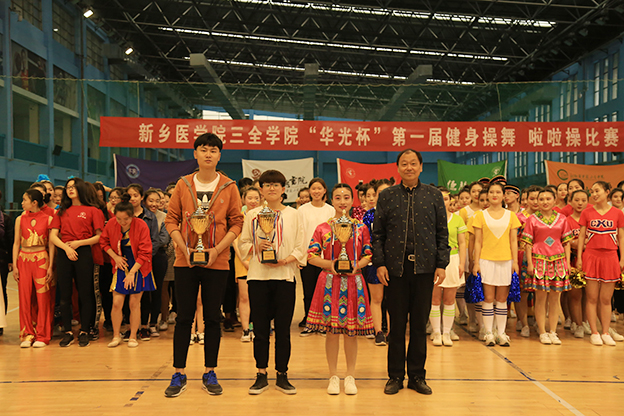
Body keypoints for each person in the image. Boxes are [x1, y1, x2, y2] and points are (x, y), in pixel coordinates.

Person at [164, 133, 244, 397]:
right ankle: (179, 373)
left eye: (213, 150)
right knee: (184, 317)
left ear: (219, 155)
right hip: (185, 261)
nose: (208, 154)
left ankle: (210, 371)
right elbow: (171, 220)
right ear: (195, 154)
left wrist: (217, 250)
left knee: (212, 317)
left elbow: (237, 223)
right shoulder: (183, 184)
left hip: (217, 261)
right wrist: (184, 248)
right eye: (203, 149)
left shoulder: (229, 186)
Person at [372, 149, 449, 396]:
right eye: (404, 164)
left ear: (421, 166)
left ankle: (417, 376)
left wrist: (441, 264)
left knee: (418, 325)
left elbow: (442, 233)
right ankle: (395, 376)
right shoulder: (387, 196)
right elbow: (378, 234)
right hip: (395, 269)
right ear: (398, 168)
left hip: (425, 269)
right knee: (396, 326)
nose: (409, 167)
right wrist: (380, 263)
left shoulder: (433, 195)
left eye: (413, 163)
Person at [239, 170, 307, 395]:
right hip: (258, 277)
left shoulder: (294, 214)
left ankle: (282, 374)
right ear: (261, 189)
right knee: (260, 329)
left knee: (283, 330)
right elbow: (242, 244)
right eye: (267, 185)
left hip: (284, 277)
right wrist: (255, 247)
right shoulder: (252, 215)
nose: (271, 188)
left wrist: (285, 260)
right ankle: (261, 373)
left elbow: (301, 246)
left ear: (283, 189)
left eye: (276, 185)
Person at [306, 183, 374, 395]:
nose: (342, 201)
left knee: (351, 332)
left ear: (353, 200)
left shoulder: (361, 228)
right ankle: (333, 376)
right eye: (337, 197)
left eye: (346, 197)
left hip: (354, 281)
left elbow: (368, 253)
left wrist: (357, 265)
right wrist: (331, 264)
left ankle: (350, 376)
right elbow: (311, 255)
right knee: (332, 332)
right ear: (331, 200)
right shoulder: (323, 228)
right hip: (329, 282)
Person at [50, 178, 106, 347]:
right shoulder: (61, 211)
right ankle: (68, 331)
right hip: (64, 251)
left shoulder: (93, 210)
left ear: (81, 188)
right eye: (68, 187)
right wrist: (66, 248)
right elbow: (53, 236)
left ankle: (85, 331)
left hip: (84, 252)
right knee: (65, 294)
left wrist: (78, 244)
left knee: (85, 294)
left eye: (73, 187)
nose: (70, 189)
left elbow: (99, 236)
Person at [100, 193, 155, 348]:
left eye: (126, 219)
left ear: (132, 216)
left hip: (139, 266)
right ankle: (116, 335)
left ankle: (133, 336)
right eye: (119, 219)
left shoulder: (141, 225)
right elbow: (103, 242)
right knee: (117, 302)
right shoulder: (111, 223)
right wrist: (115, 257)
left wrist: (132, 273)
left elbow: (145, 253)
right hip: (120, 264)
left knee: (134, 303)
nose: (122, 222)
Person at [472, 181, 521, 347]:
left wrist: (515, 262)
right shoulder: (480, 216)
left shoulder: (511, 216)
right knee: (488, 298)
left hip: (506, 261)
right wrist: (476, 262)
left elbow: (513, 240)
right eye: (491, 192)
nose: (494, 195)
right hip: (486, 260)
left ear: (503, 195)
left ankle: (501, 333)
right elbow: (478, 241)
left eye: (498, 192)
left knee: (502, 299)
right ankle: (488, 332)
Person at [523, 188, 573, 345]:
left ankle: (553, 331)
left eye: (548, 199)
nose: (545, 202)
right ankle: (542, 331)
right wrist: (530, 263)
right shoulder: (532, 219)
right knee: (540, 298)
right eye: (541, 199)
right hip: (539, 261)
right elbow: (528, 243)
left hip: (558, 261)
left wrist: (567, 262)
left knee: (555, 298)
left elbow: (566, 242)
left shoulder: (562, 219)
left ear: (555, 201)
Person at [577, 181, 624, 346]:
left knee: (605, 299)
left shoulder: (618, 213)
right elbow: (581, 236)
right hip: (591, 256)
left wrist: (622, 259)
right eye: (592, 191)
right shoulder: (586, 212)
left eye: (597, 191)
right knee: (591, 297)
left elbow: (621, 237)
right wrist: (580, 258)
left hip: (610, 257)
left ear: (607, 192)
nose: (594, 194)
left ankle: (605, 332)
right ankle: (594, 332)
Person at [13, 189, 55, 347]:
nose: (22, 203)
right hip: (24, 259)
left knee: (43, 298)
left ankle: (42, 335)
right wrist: (15, 265)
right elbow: (16, 243)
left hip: (41, 259)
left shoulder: (49, 219)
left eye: (25, 200)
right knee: (24, 298)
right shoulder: (20, 219)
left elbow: (51, 245)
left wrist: (50, 266)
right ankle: (27, 334)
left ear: (34, 202)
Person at [298, 178, 335, 335]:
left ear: (325, 190)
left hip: (326, 259)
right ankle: (309, 321)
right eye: (313, 188)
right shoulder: (302, 210)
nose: (316, 191)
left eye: (319, 188)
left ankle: (324, 322)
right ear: (309, 191)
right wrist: (300, 257)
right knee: (309, 291)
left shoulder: (331, 210)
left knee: (326, 292)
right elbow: (299, 234)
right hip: (308, 257)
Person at [430, 187, 466, 347]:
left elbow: (462, 243)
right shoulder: (429, 218)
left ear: (450, 200)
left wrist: (462, 263)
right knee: (435, 299)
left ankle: (447, 332)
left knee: (450, 299)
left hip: (452, 259)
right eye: (439, 198)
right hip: (433, 261)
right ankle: (436, 332)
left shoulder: (457, 220)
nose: (442, 201)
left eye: (445, 199)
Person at [362, 178, 393, 346]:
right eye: (380, 193)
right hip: (375, 262)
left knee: (393, 299)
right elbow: (366, 239)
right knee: (377, 298)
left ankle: (392, 332)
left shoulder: (399, 212)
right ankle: (378, 332)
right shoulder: (369, 215)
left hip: (395, 262)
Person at [233, 186, 261, 342]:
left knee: (258, 297)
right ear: (243, 200)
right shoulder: (239, 217)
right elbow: (235, 241)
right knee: (244, 297)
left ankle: (256, 327)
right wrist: (244, 260)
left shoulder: (264, 215)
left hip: (260, 261)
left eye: (256, 198)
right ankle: (245, 330)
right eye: (250, 198)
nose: (253, 201)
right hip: (242, 260)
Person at [143, 188, 170, 338]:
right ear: (145, 201)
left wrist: (147, 252)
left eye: (157, 201)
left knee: (157, 290)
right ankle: (142, 323)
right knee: (142, 292)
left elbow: (163, 239)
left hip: (158, 256)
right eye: (151, 200)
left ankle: (153, 323)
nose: (154, 204)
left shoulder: (164, 217)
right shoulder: (139, 216)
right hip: (140, 258)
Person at [566, 190, 589, 338]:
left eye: (583, 200)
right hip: (573, 260)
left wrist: (581, 243)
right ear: (570, 202)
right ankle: (577, 323)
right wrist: (578, 243)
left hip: (590, 259)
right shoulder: (566, 221)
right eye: (577, 200)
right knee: (575, 294)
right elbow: (567, 242)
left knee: (589, 294)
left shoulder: (591, 219)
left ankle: (585, 321)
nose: (580, 203)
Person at [0, 190, 15, 334]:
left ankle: (0, 323)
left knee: (1, 290)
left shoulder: (5, 219)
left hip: (1, 259)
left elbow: (11, 240)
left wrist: (11, 261)